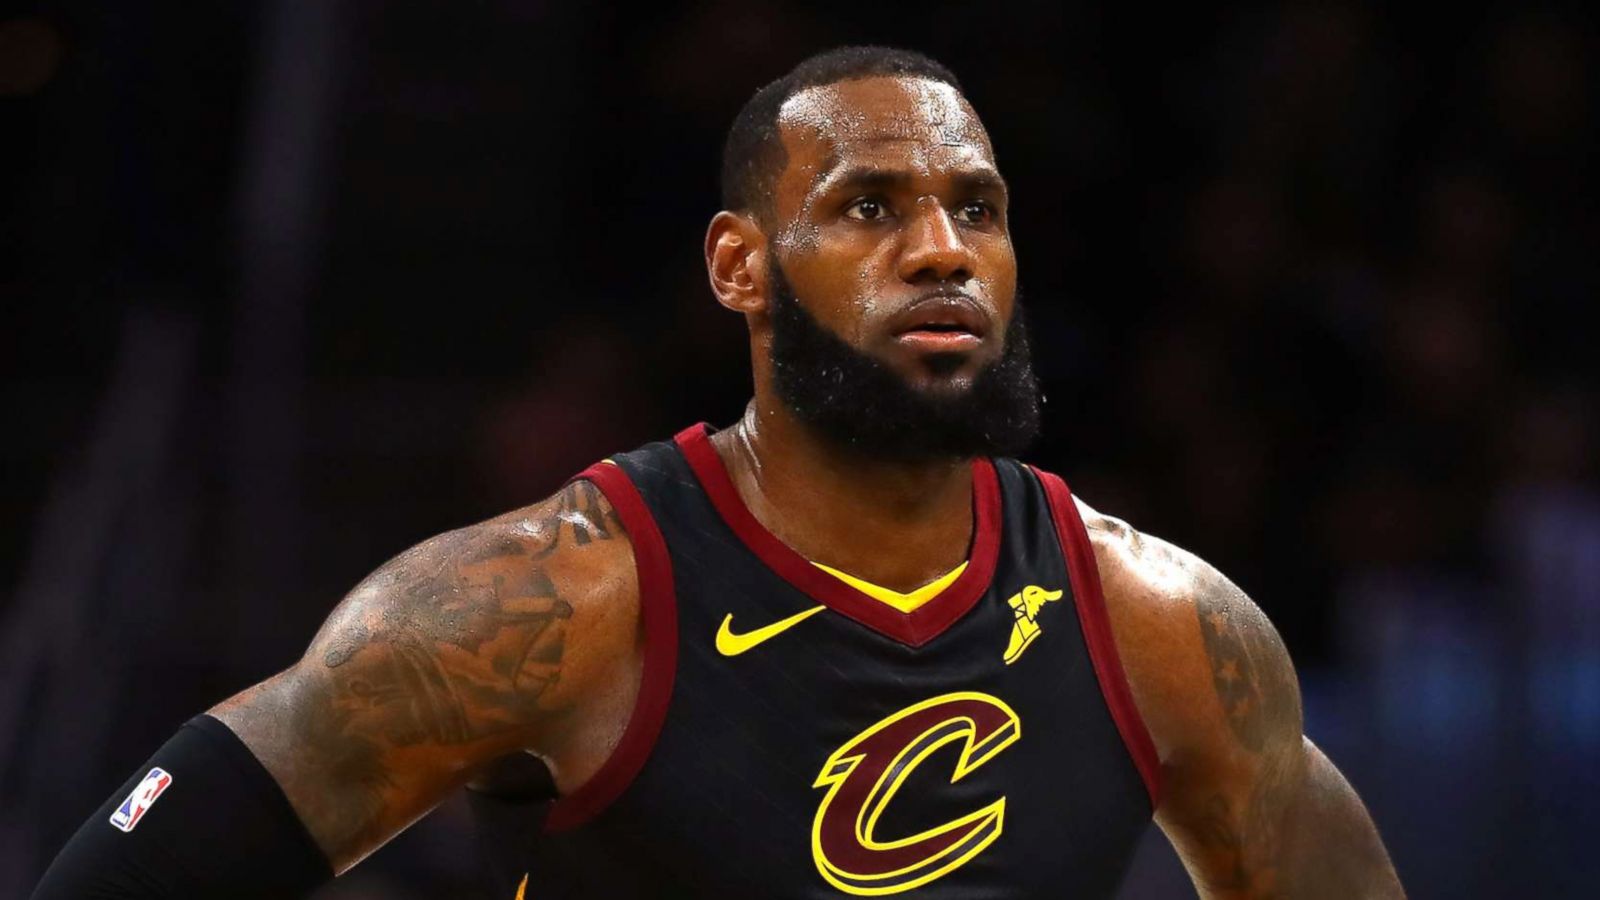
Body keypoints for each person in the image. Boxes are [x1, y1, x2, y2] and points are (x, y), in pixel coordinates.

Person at [32, 46, 1405, 899]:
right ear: (738, 266)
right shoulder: (547, 605)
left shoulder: (1165, 627)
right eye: (870, 206)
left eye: (974, 209)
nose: (941, 250)